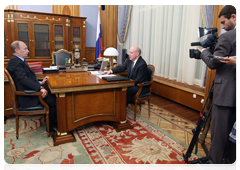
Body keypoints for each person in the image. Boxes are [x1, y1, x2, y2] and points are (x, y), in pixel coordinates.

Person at [197, 5, 238, 170]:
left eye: (223, 22)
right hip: (236, 94)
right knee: (234, 136)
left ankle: (214, 166)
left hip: (225, 94)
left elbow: (214, 62)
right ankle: (229, 165)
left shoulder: (229, 37)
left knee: (219, 135)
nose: (222, 26)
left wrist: (203, 51)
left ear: (233, 17)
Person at [7, 41, 58, 132]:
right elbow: (23, 80)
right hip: (27, 97)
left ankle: (52, 121)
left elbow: (27, 78)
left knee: (54, 94)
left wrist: (40, 83)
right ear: (16, 50)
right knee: (56, 100)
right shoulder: (15, 62)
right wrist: (40, 88)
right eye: (25, 49)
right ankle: (52, 127)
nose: (28, 51)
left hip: (30, 92)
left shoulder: (19, 60)